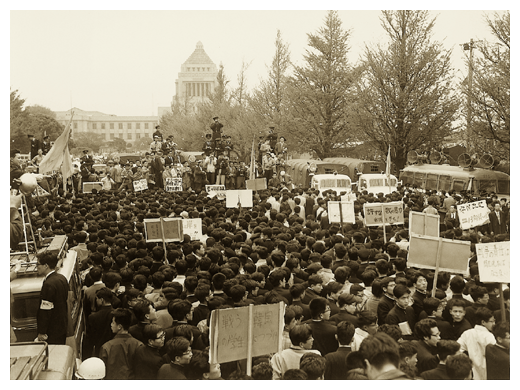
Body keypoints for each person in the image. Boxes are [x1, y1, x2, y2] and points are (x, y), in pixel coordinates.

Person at [99, 308, 143, 380]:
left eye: (113, 322)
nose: (111, 325)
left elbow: (102, 373)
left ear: (119, 326)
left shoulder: (106, 347)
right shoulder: (139, 345)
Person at [36, 253, 69, 345]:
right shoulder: (62, 278)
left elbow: (45, 310)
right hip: (62, 326)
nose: (36, 267)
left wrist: (42, 331)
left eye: (38, 264)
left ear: (46, 265)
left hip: (52, 329)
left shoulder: (48, 284)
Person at [457, 307, 496, 380]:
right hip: (487, 371)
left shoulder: (467, 333)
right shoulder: (489, 336)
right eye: (492, 321)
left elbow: (457, 349)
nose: (494, 324)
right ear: (483, 322)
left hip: (471, 372)